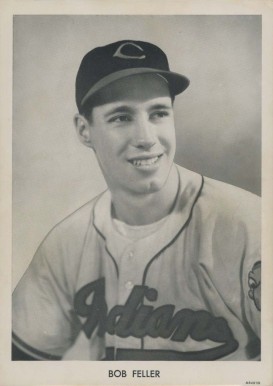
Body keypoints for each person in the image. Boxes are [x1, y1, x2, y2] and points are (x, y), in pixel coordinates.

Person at [12, 40, 261, 361]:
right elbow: (18, 366)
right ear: (84, 131)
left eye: (158, 113)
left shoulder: (249, 224)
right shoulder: (65, 245)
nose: (146, 138)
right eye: (121, 117)